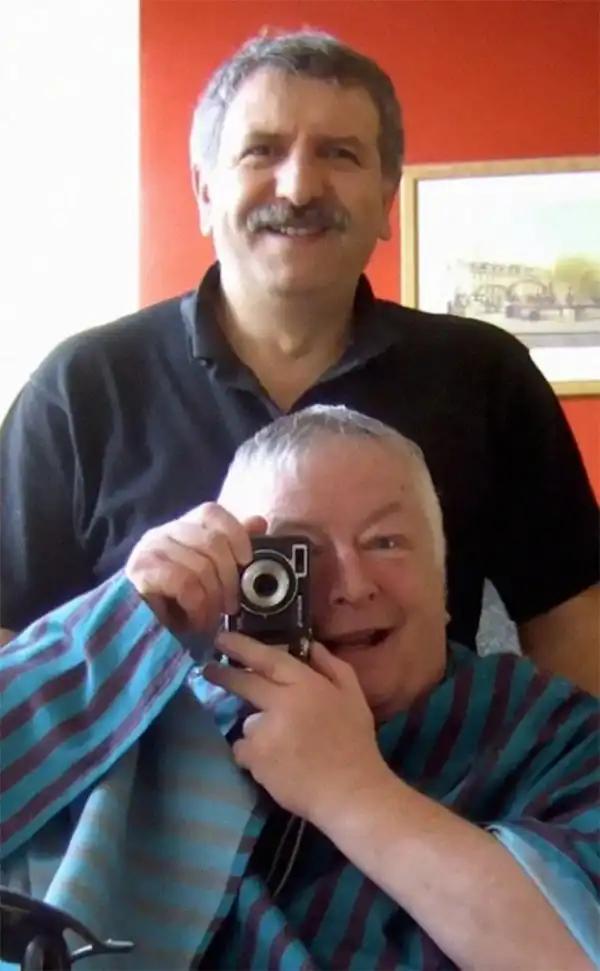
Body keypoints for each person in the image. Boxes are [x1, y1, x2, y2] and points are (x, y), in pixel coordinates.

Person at [1, 31, 598, 692]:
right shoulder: (78, 390)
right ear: (204, 190)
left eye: (340, 154)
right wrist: (123, 611)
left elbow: (573, 630)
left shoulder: (486, 377)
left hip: (419, 761)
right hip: (151, 763)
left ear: (386, 198)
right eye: (262, 150)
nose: (300, 186)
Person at [1, 406, 598, 971]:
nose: (352, 586)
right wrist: (125, 617)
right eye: (296, 551)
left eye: (386, 542)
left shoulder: (551, 734)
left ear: (443, 580)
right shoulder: (150, 701)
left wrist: (349, 791)